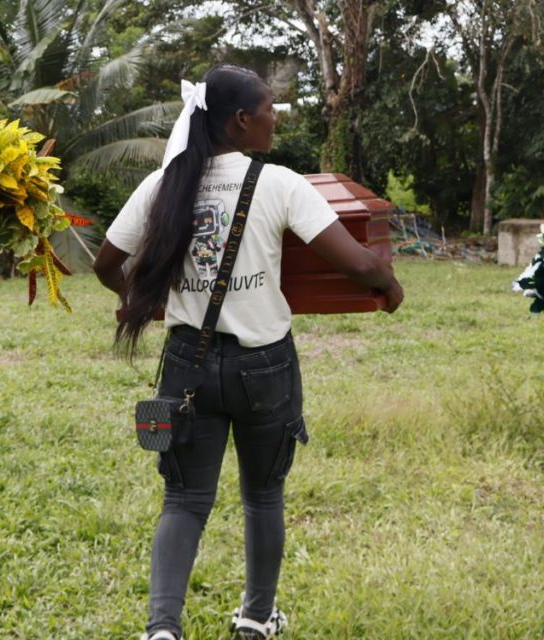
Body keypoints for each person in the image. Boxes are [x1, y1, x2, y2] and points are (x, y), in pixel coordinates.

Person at [94, 64, 403, 640]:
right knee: (263, 495)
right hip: (265, 368)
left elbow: (106, 265)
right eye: (268, 110)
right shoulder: (280, 183)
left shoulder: (163, 184)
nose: (274, 120)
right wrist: (388, 287)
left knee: (183, 498)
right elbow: (357, 262)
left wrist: (148, 301)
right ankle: (257, 619)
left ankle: (162, 629)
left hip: (184, 365)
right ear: (240, 121)